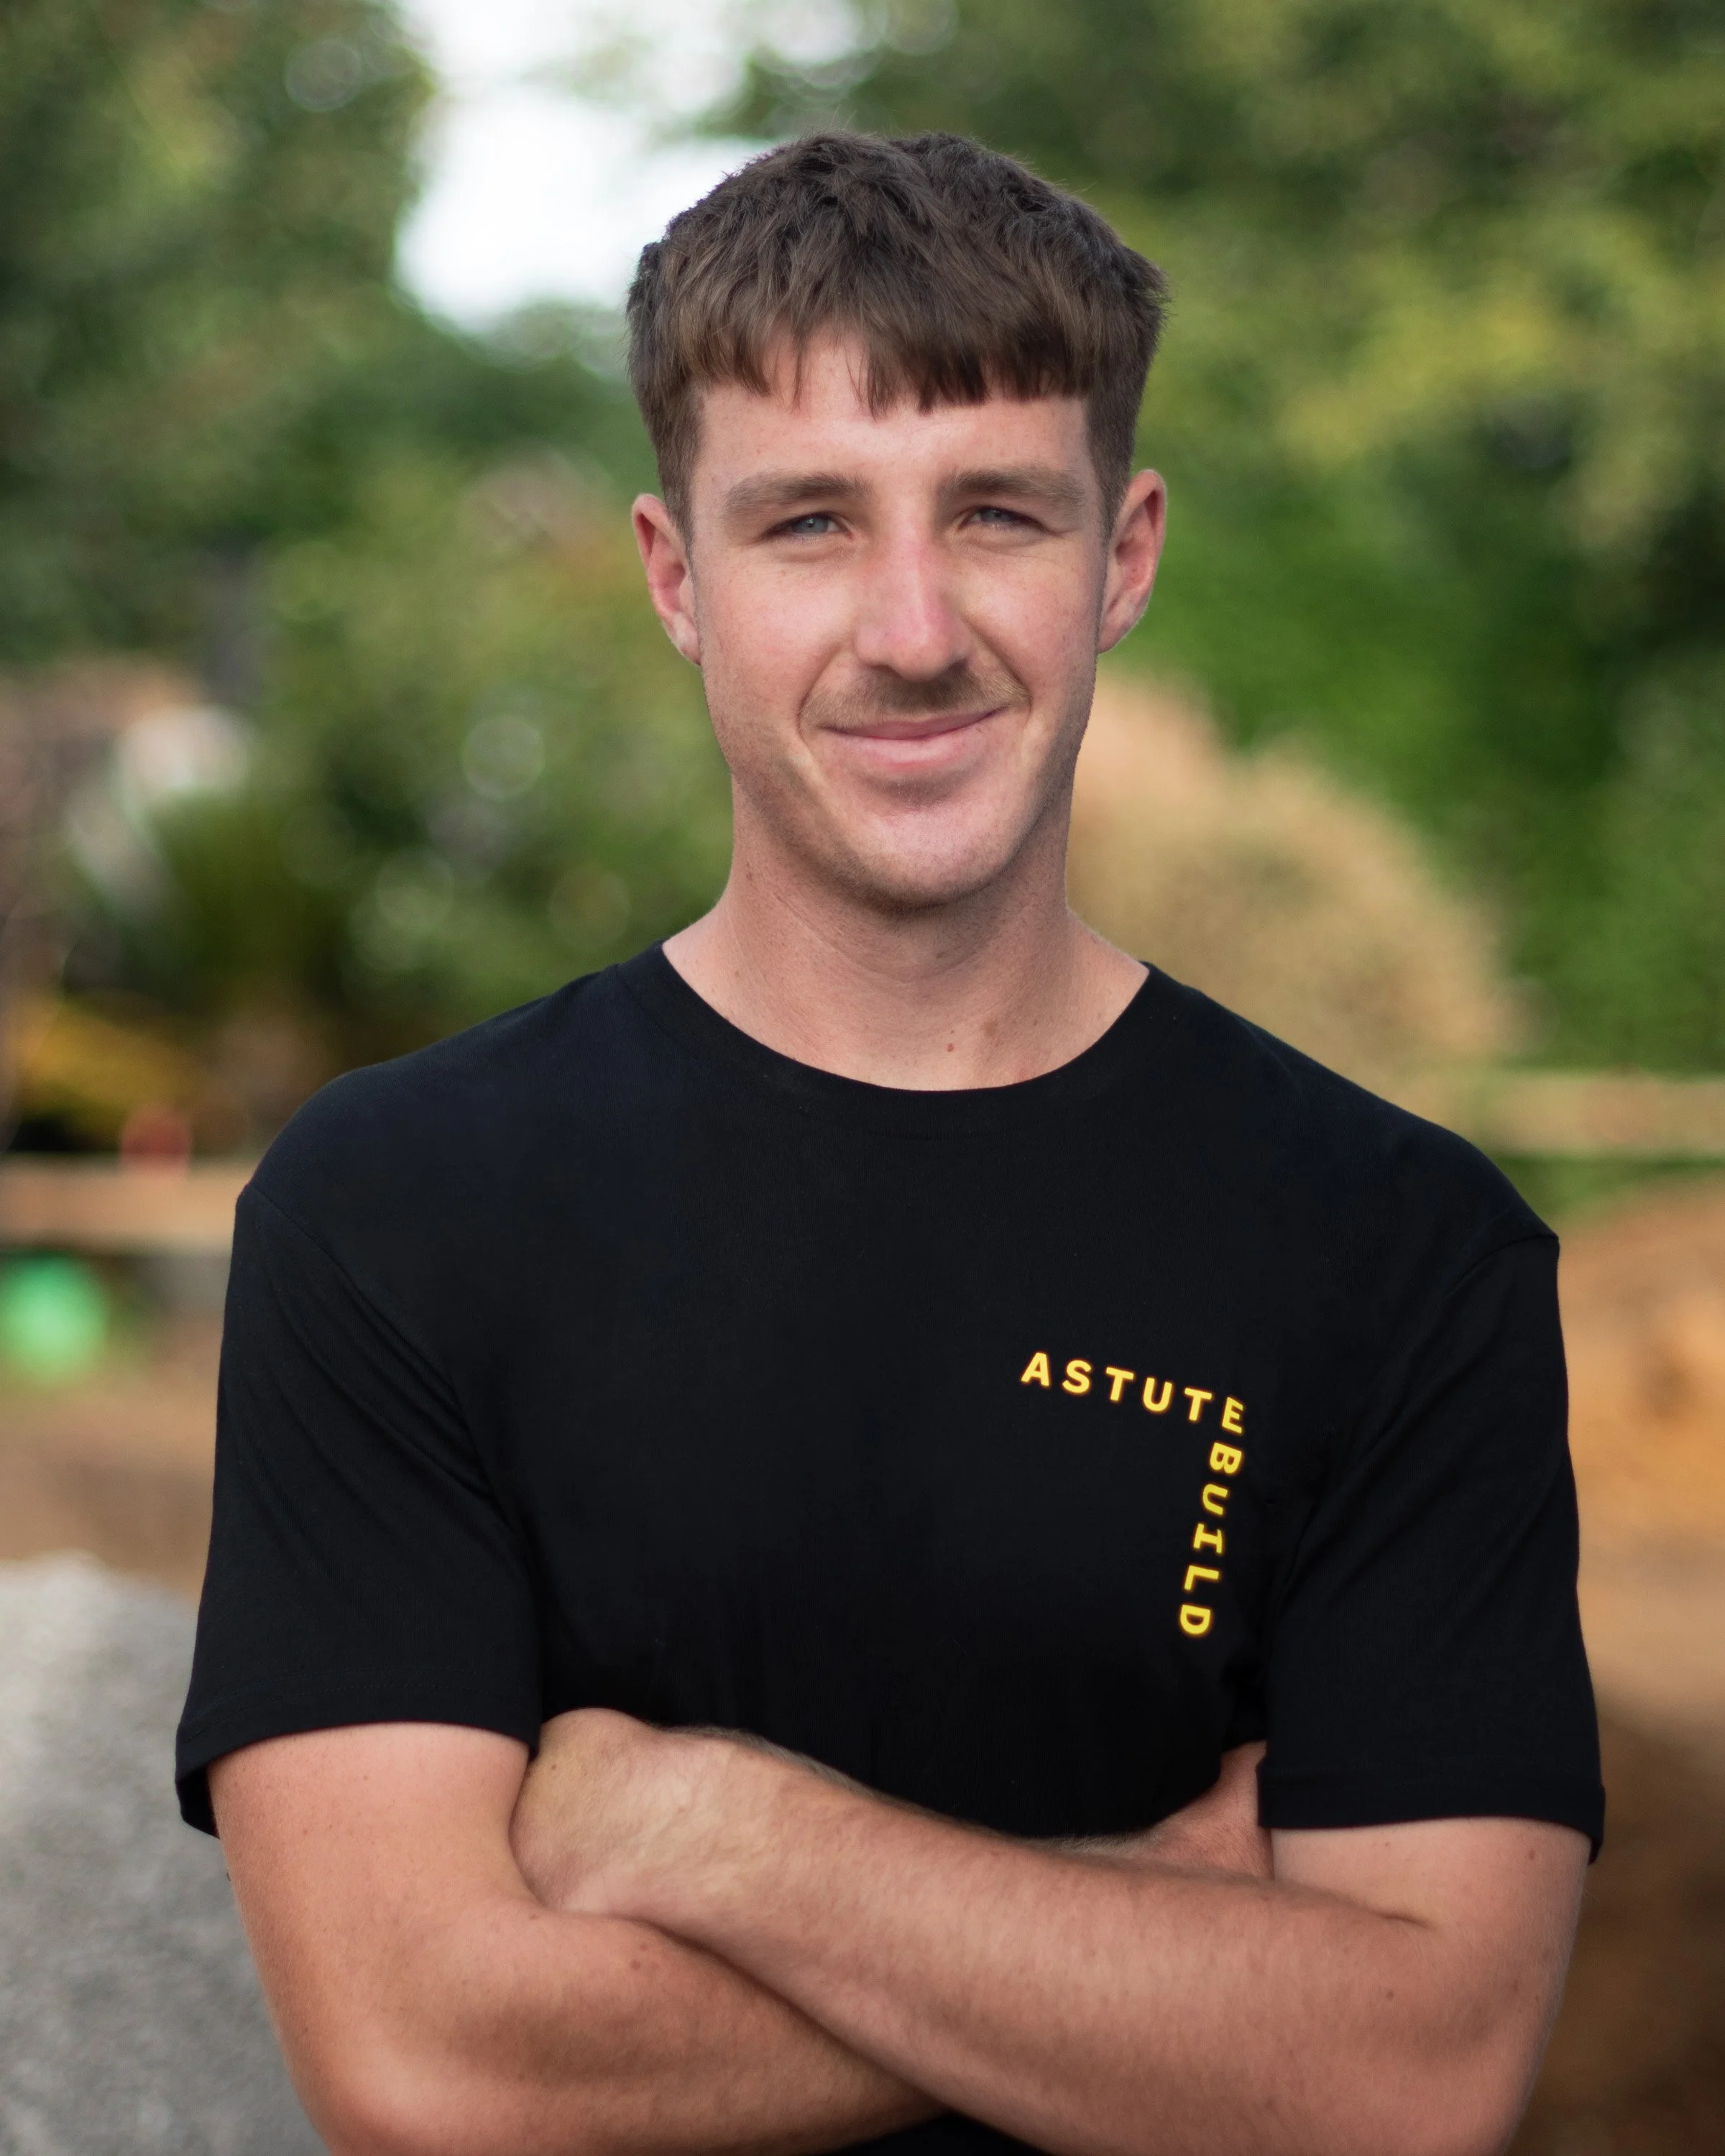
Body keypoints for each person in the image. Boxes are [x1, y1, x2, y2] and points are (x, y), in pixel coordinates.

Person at [178, 132, 1601, 2156]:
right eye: (812, 525)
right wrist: (1177, 1925)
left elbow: (1418, 2080)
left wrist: (728, 1834)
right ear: (680, 578)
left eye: (999, 513)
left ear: (1124, 555)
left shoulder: (1401, 1250)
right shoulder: (397, 1211)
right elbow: (431, 2064)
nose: (915, 629)